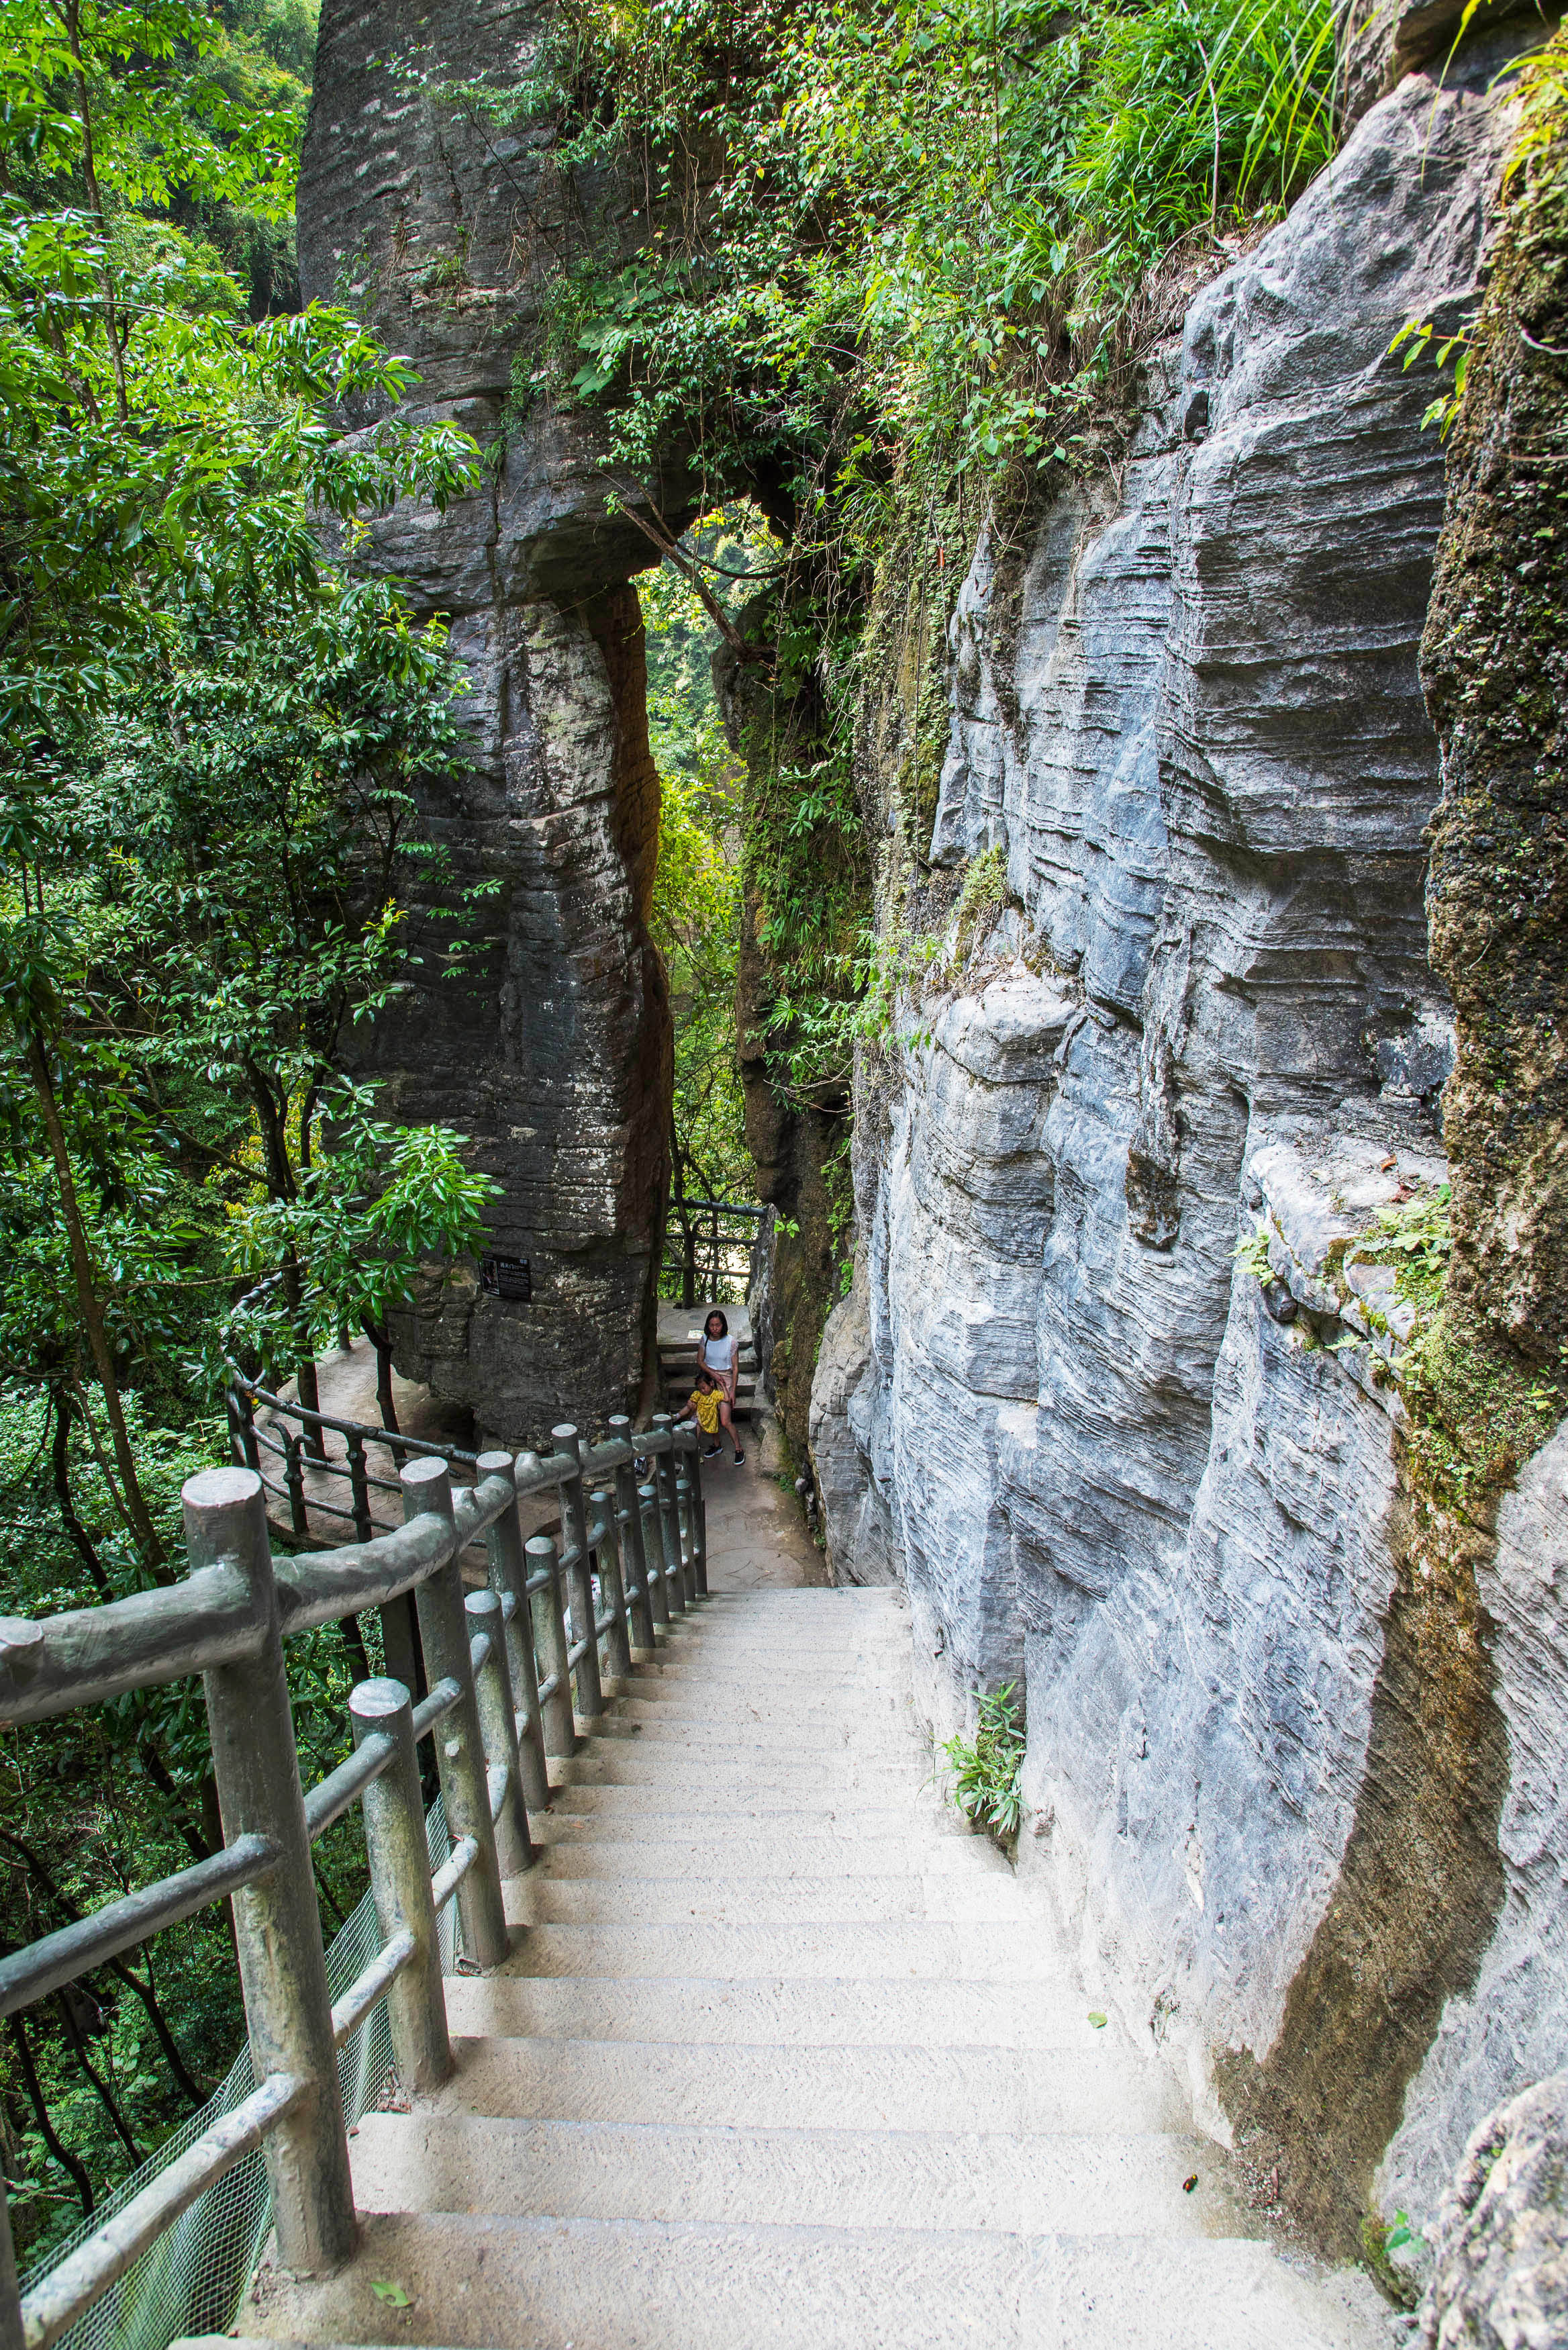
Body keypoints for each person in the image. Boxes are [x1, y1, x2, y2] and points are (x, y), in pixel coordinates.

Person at [698, 1308, 745, 1466]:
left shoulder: (731, 1342)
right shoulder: (704, 1339)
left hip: (725, 1379)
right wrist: (713, 1374)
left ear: (723, 1325)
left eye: (718, 1325)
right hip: (709, 1379)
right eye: (712, 1325)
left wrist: (733, 1391)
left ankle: (738, 1449)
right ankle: (717, 1445)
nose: (715, 1329)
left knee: (725, 1420)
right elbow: (700, 1361)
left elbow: (735, 1368)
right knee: (711, 1416)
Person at [675, 1366, 724, 1457]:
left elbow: (727, 1398)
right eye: (700, 1388)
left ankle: (717, 1447)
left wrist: (723, 1385)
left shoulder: (715, 1394)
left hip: (710, 1418)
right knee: (696, 1432)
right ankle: (677, 1416)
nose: (702, 1391)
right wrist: (690, 1403)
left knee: (714, 1433)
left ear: (711, 1384)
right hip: (699, 1417)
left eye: (704, 1388)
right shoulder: (698, 1394)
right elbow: (691, 1401)